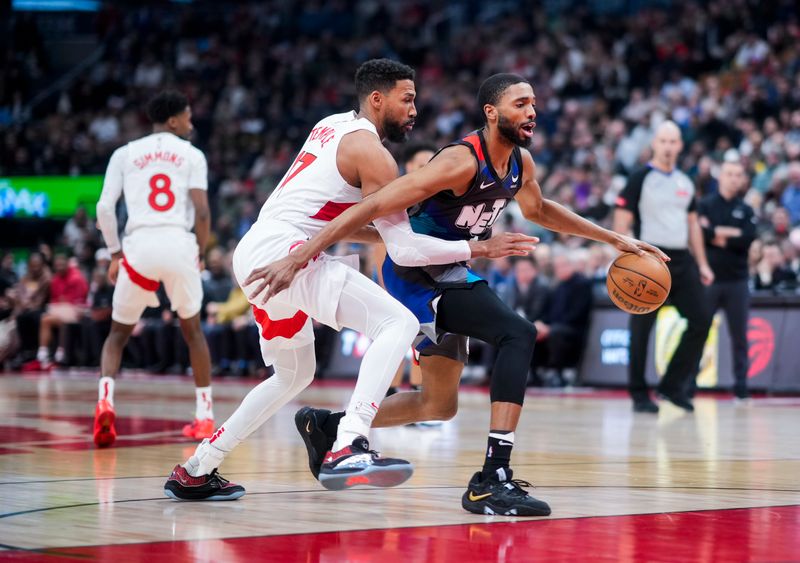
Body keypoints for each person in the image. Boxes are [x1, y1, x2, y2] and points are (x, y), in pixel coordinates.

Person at [249, 73, 665, 517]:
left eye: (534, 103)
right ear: (492, 113)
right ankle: (492, 479)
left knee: (437, 404)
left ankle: (329, 426)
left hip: (451, 269)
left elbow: (540, 210)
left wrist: (615, 240)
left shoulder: (522, 164)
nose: (532, 112)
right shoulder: (460, 161)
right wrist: (302, 255)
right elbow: (371, 206)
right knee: (517, 333)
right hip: (416, 274)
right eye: (520, 104)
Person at [162, 60, 533, 501]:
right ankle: (349, 444)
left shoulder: (331, 126)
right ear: (378, 99)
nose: (415, 110)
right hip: (288, 255)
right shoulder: (376, 155)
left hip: (257, 253)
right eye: (407, 99)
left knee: (292, 375)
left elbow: (338, 217)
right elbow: (405, 251)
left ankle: (197, 468)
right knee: (396, 323)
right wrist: (480, 247)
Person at [94, 90, 214, 448]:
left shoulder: (124, 154)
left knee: (117, 335)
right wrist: (201, 251)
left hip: (138, 246)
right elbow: (203, 212)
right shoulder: (193, 155)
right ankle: (205, 417)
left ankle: (105, 400)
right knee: (193, 332)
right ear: (174, 120)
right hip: (178, 242)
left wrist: (115, 253)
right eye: (188, 117)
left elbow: (104, 208)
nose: (192, 123)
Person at [613, 121, 714, 414]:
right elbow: (622, 219)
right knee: (642, 329)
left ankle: (672, 386)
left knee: (701, 320)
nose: (669, 146)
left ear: (680, 146)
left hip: (682, 260)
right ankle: (639, 394)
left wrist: (703, 263)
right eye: (664, 141)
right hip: (648, 259)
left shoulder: (685, 181)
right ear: (655, 144)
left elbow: (692, 224)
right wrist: (621, 257)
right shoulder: (639, 178)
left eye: (674, 142)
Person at [380, 142, 436, 397]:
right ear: (409, 167)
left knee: (424, 339)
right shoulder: (399, 194)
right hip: (394, 277)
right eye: (423, 165)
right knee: (393, 338)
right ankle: (387, 394)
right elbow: (379, 243)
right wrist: (382, 287)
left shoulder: (439, 198)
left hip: (426, 279)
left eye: (432, 165)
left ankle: (417, 393)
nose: (429, 169)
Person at [698, 160, 756, 400]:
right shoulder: (705, 204)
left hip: (737, 281)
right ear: (720, 176)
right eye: (730, 174)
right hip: (709, 278)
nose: (734, 179)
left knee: (740, 336)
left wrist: (717, 233)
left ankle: (741, 387)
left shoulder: (747, 209)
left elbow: (747, 239)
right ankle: (687, 384)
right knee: (698, 332)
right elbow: (701, 233)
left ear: (742, 180)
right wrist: (731, 233)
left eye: (738, 175)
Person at [36, 253, 89, 368]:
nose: (59, 267)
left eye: (62, 264)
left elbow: (80, 299)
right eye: (57, 265)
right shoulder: (55, 280)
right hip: (60, 311)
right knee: (45, 319)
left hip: (77, 311)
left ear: (67, 264)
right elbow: (54, 299)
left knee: (61, 321)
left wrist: (65, 301)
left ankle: (61, 351)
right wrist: (61, 302)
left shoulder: (77, 278)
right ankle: (43, 352)